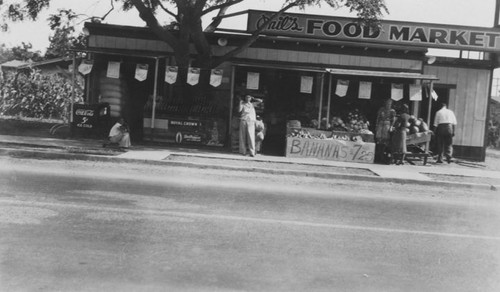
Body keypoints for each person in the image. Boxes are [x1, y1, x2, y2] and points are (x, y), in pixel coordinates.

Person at [375, 99, 396, 164]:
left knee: (385, 139)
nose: (388, 105)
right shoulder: (382, 109)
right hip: (381, 124)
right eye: (387, 104)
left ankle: (383, 155)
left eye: (389, 104)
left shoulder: (392, 111)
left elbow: (393, 119)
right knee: (379, 139)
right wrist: (376, 125)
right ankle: (379, 154)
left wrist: (391, 126)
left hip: (387, 124)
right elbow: (378, 118)